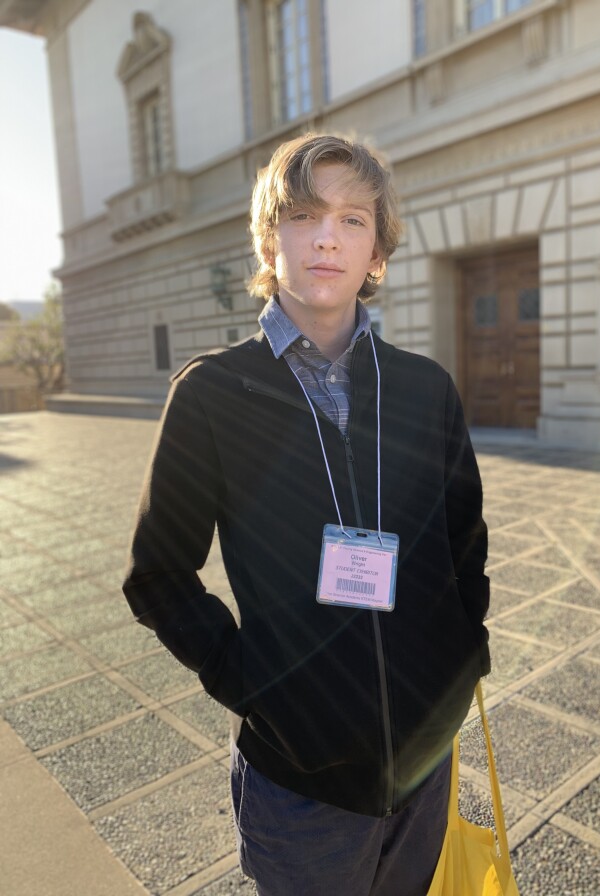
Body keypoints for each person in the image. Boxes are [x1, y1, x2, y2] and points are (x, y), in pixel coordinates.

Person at [123, 133, 490, 896]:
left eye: (355, 220)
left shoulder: (424, 388)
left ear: (377, 252)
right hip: (300, 786)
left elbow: (464, 544)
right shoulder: (214, 395)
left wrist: (459, 662)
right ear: (269, 235)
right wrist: (253, 684)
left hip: (423, 766)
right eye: (304, 214)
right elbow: (157, 575)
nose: (328, 235)